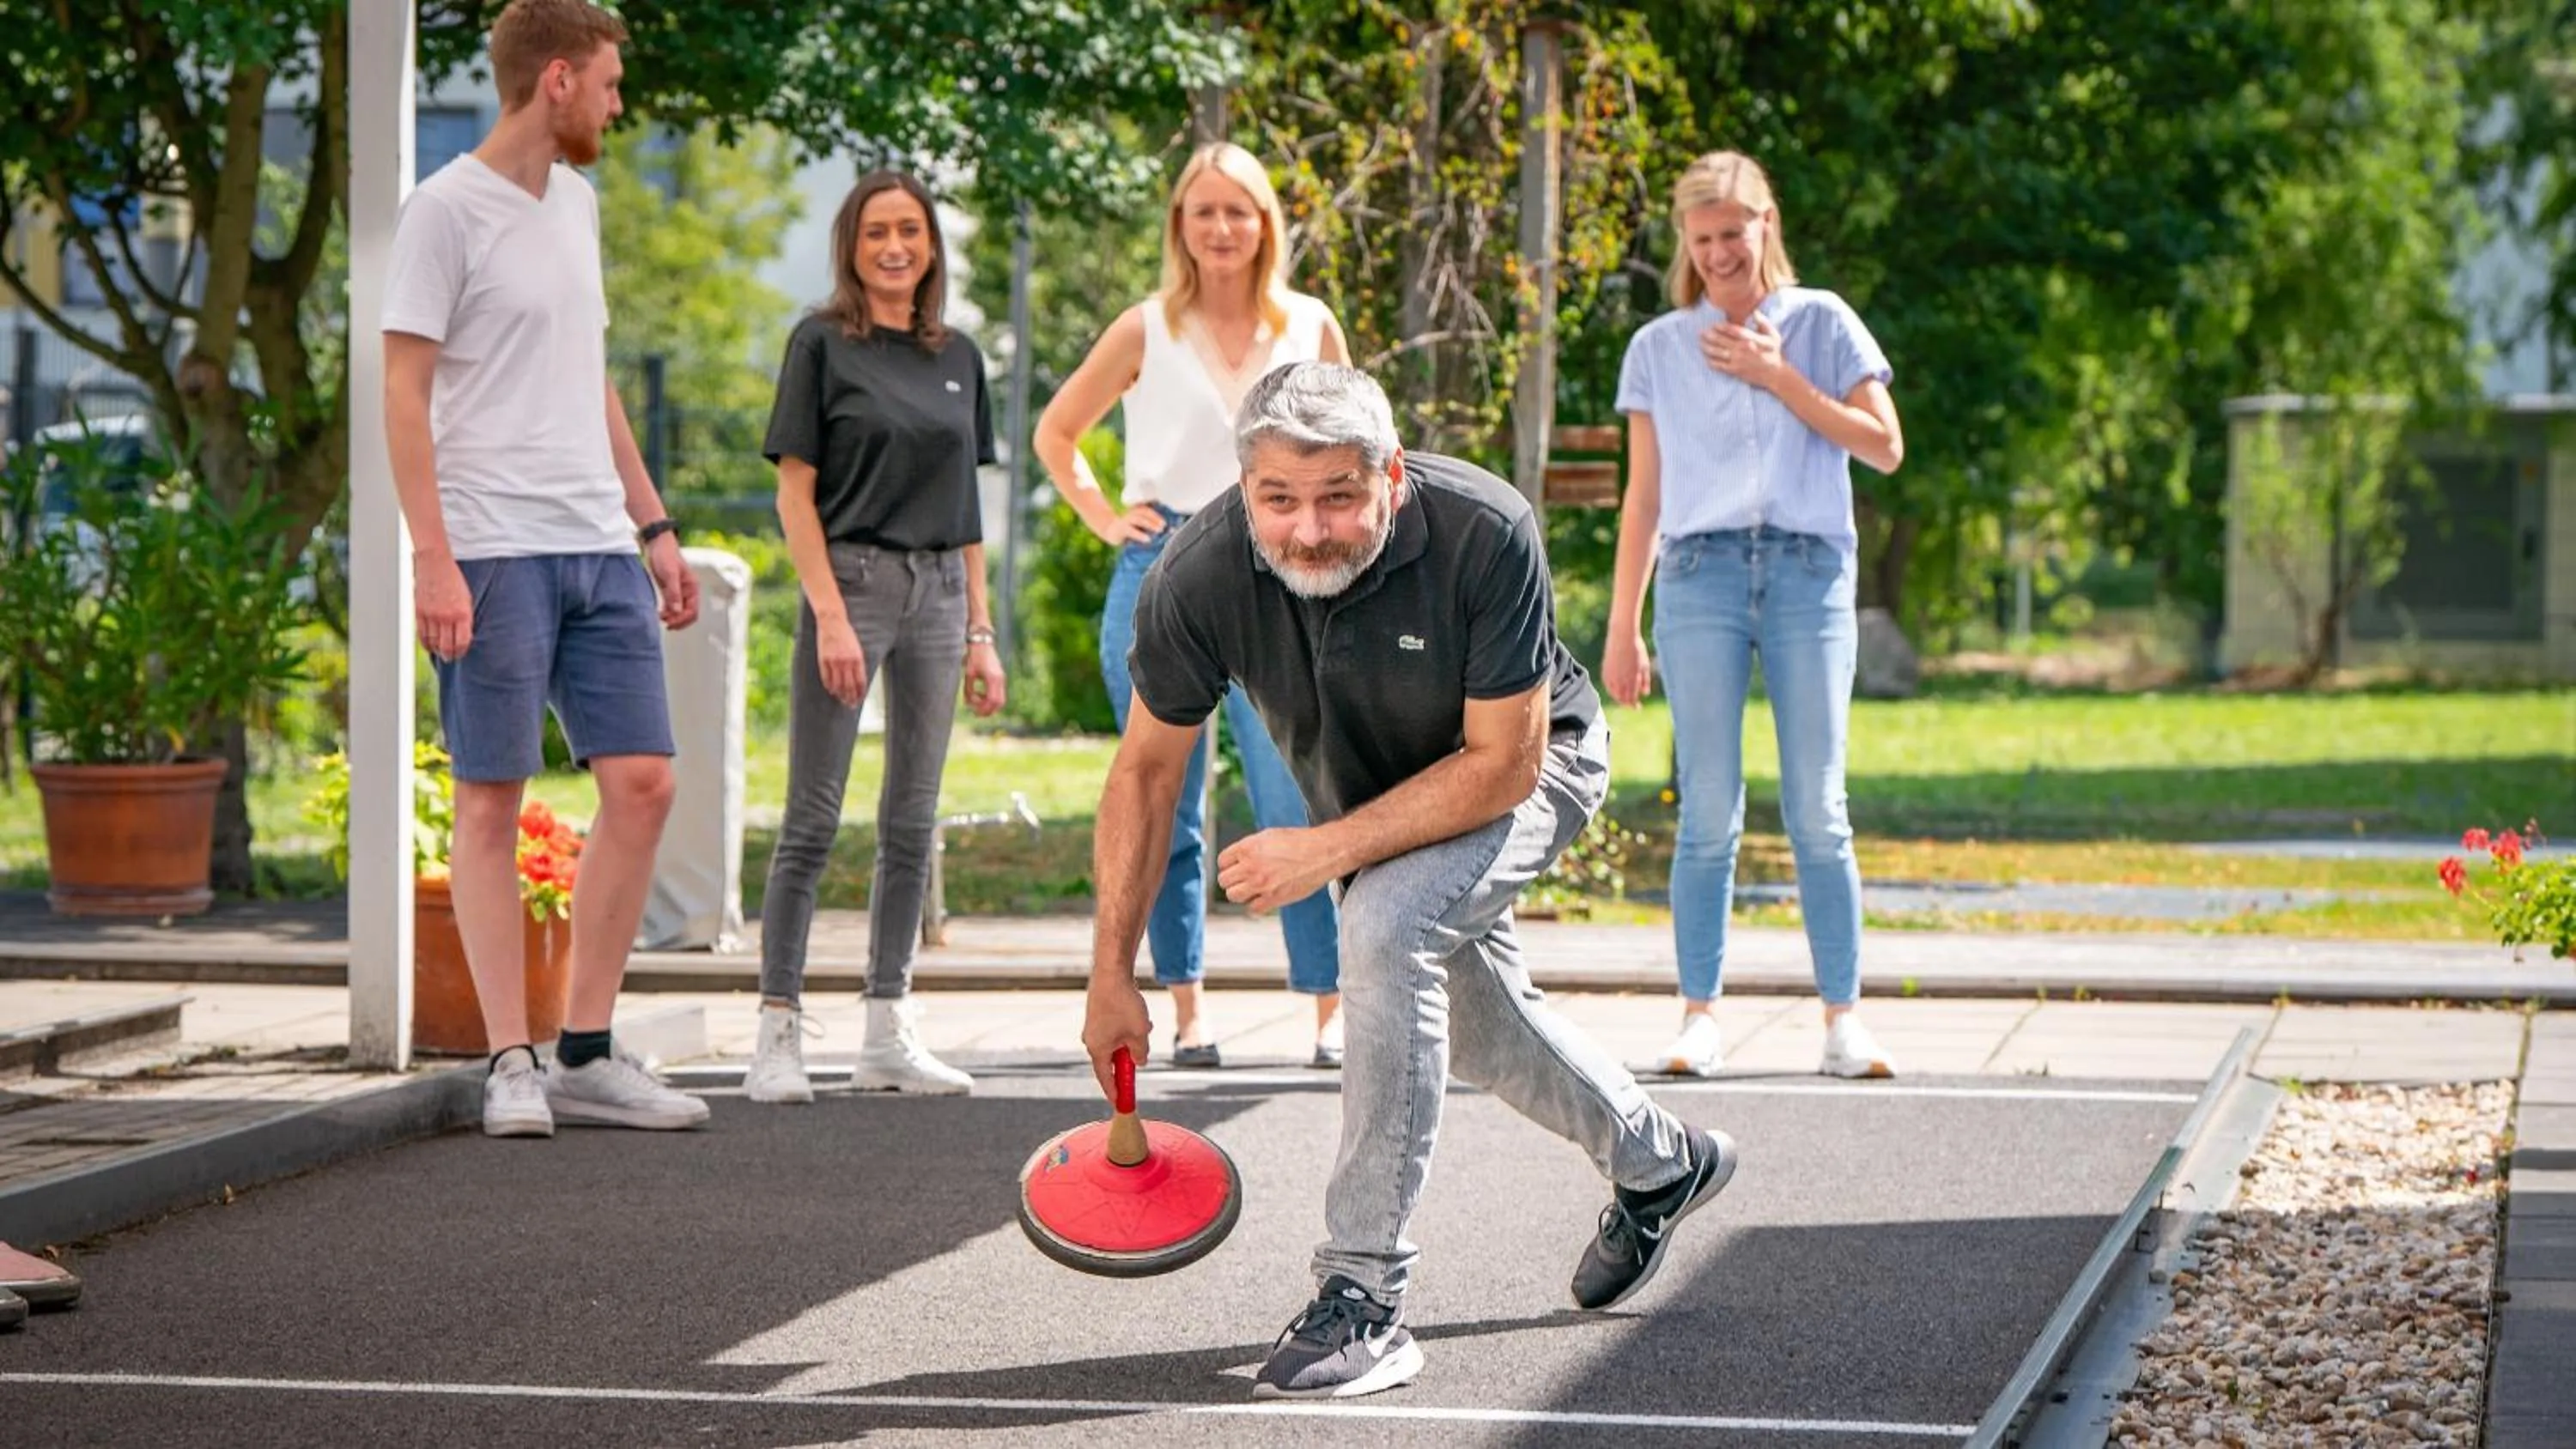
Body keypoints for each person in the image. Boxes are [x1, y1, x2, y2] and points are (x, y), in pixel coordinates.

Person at [1082, 361, 1736, 1400]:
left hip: (1534, 758)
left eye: (1340, 495)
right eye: (1279, 499)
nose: (1308, 529)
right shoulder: (1198, 572)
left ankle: (1363, 1293)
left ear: (1391, 474)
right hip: (1383, 799)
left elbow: (1502, 764)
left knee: (1386, 934)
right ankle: (1662, 1162)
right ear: (1244, 484)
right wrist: (1110, 969)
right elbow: (1147, 771)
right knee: (1470, 1023)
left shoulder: (1485, 529)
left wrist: (1322, 849)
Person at [382, 0, 708, 1137]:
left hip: (596, 541)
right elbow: (403, 393)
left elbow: (593, 374)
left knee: (645, 785)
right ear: (558, 79)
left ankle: (585, 1049)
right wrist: (434, 557)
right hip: (491, 544)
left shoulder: (577, 203)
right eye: (612, 86)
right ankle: (508, 1062)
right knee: (490, 797)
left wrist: (653, 524)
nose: (620, 107)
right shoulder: (443, 212)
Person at [1036, 143, 1347, 1070]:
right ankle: (1186, 1008)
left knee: (1292, 792)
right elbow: (1058, 432)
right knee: (1162, 799)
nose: (1220, 228)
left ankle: (1328, 1008)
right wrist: (1103, 517)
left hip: (1283, 575)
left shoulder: (1310, 325)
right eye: (1203, 211)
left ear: (1264, 224)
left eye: (1237, 211)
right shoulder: (1145, 327)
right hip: (1163, 567)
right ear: (1182, 225)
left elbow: (1361, 445)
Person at [1601, 151, 1907, 1080]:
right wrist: (1625, 622)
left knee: (1820, 806)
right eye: (1703, 239)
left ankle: (1843, 1020)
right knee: (1707, 807)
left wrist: (1782, 379)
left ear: (1766, 223)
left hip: (1810, 572)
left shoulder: (1821, 322)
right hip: (1699, 575)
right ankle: (1699, 1015)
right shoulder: (1658, 346)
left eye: (1734, 232)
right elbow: (1643, 497)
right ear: (1685, 245)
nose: (1721, 252)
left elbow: (1886, 447)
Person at [744, 171, 1009, 1104]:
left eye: (910, 231)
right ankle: (777, 1030)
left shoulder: (959, 354)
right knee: (812, 819)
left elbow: (969, 507)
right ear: (852, 248)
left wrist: (982, 630)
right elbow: (794, 493)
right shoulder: (821, 343)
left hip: (941, 592)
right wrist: (825, 613)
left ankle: (887, 1027)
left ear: (931, 245)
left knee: (911, 820)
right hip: (849, 585)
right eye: (875, 233)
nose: (894, 246)